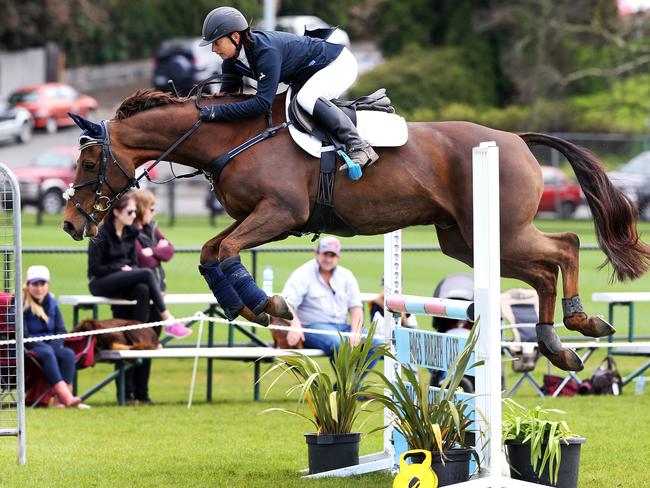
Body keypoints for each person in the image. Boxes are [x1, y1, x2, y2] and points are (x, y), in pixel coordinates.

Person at [197, 6, 379, 169]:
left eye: (217, 42)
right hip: (309, 74)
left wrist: (216, 112)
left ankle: (359, 146)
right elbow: (228, 98)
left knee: (306, 98)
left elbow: (262, 104)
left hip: (338, 64)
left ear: (235, 37)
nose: (213, 49)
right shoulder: (231, 62)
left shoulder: (265, 52)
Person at [87, 193, 191, 340]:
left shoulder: (131, 231)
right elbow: (94, 269)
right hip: (100, 283)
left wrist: (132, 269)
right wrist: (119, 268)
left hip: (121, 281)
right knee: (147, 274)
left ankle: (137, 336)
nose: (134, 215)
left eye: (135, 211)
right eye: (130, 212)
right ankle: (169, 320)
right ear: (116, 212)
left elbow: (134, 263)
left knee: (143, 288)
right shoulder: (100, 234)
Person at [282, 236, 380, 364]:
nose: (328, 259)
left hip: (343, 327)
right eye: (325, 254)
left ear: (338, 257)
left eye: (332, 255)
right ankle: (346, 383)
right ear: (317, 253)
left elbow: (356, 308)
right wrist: (295, 325)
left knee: (376, 343)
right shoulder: (303, 273)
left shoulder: (346, 275)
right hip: (313, 328)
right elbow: (286, 304)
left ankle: (350, 383)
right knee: (339, 344)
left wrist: (355, 332)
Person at [23, 265, 82, 408]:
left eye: (42, 284)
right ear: (28, 285)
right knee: (48, 353)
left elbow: (61, 330)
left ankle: (58, 401)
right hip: (30, 347)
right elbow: (23, 334)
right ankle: (66, 396)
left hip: (50, 346)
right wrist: (46, 347)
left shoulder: (52, 303)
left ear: (47, 285)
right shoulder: (20, 303)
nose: (39, 288)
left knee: (68, 354)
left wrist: (53, 346)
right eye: (35, 284)